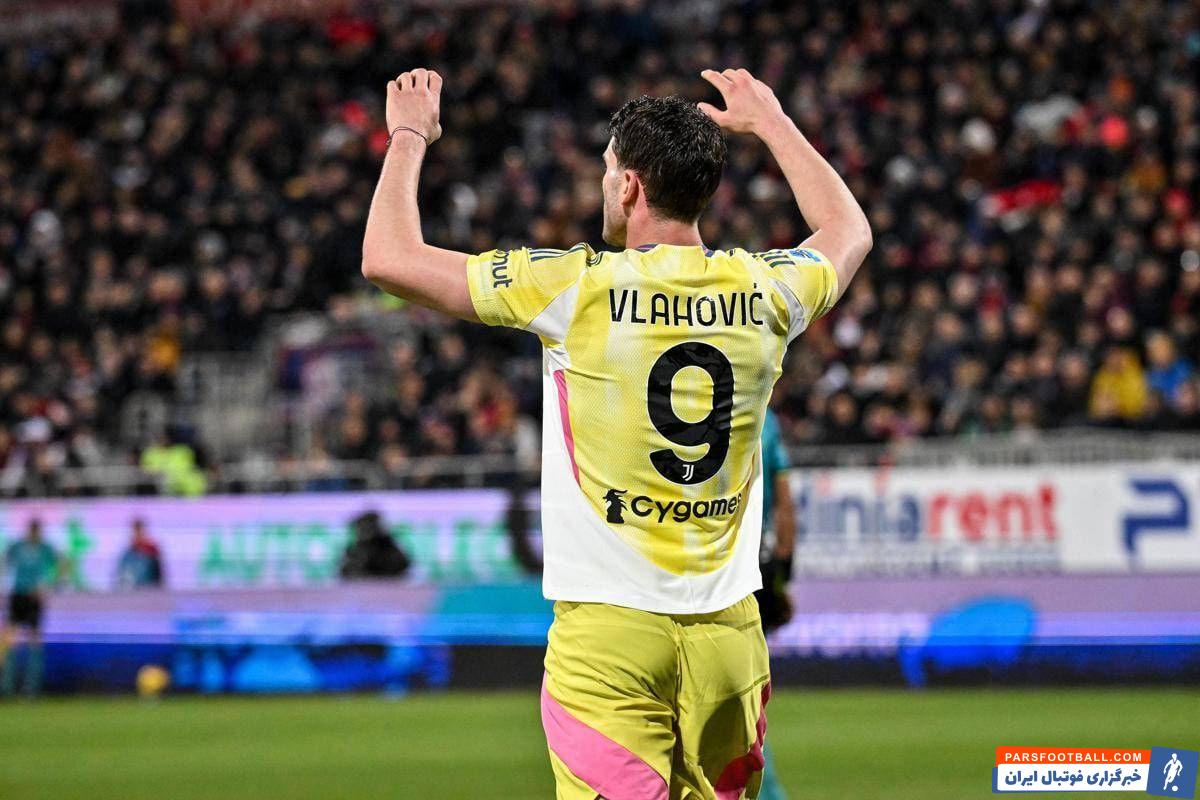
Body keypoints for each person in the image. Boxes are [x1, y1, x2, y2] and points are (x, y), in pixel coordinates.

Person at [362, 66, 870, 798]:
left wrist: (410, 135)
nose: (603, 185)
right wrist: (771, 122)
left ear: (629, 186)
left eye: (607, 171)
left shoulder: (575, 288)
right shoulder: (769, 290)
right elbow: (849, 231)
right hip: (730, 640)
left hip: (610, 638)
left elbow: (388, 259)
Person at [755, 407, 797, 800]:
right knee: (749, 692)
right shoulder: (765, 418)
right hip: (756, 566)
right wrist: (783, 576)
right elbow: (785, 501)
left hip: (700, 562)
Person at [1, 519, 60, 697]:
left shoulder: (45, 548)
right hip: (18, 595)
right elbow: (5, 562)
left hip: (34, 597)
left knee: (34, 641)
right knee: (10, 640)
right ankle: (7, 686)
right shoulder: (17, 547)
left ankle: (31, 688)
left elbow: (60, 565)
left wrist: (47, 585)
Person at [339, 511, 411, 579]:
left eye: (367, 527)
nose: (361, 531)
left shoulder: (388, 547)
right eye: (361, 527)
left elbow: (402, 566)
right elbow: (346, 571)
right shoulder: (355, 549)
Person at [115, 518, 165, 589]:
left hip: (150, 588)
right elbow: (122, 575)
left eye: (139, 531)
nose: (136, 534)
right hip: (132, 590)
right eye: (134, 531)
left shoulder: (152, 551)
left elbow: (159, 575)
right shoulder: (128, 553)